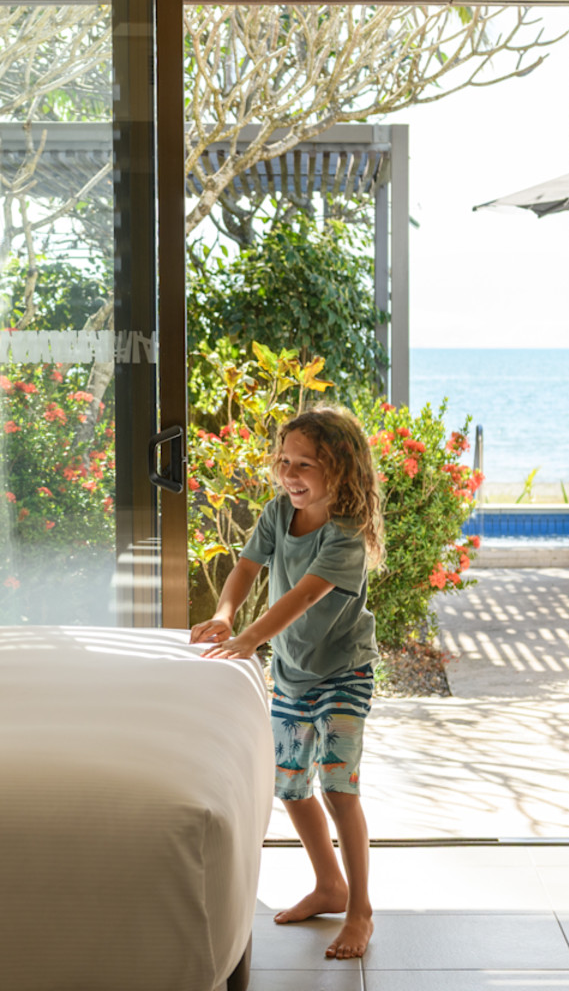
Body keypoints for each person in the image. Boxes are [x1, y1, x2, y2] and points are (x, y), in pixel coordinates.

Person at [192, 407, 381, 961]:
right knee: (292, 786)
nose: (290, 474)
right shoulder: (278, 513)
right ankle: (329, 885)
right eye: (284, 462)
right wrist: (226, 615)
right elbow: (247, 568)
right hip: (292, 674)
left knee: (338, 787)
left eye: (306, 464)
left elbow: (304, 596)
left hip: (345, 672)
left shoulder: (345, 534)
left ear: (341, 470)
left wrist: (250, 637)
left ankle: (360, 910)